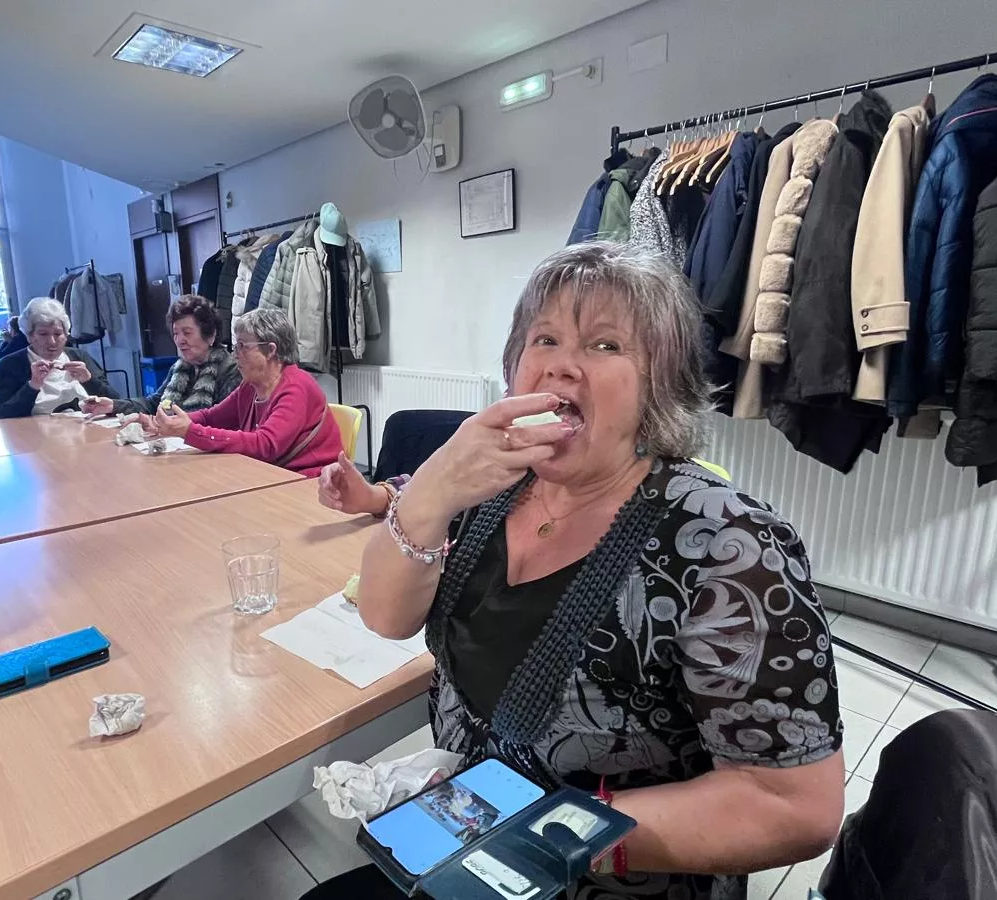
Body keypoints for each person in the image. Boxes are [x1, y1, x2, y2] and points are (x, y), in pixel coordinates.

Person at [308, 243, 844, 900]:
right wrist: (431, 489)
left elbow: (796, 807)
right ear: (515, 368)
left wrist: (552, 835)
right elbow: (386, 616)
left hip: (607, 875)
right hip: (466, 838)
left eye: (605, 345)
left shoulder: (728, 544)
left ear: (659, 386)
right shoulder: (490, 490)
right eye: (546, 339)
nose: (563, 363)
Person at [124, 306, 341, 477]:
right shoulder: (252, 385)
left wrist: (189, 431)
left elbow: (265, 446)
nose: (235, 354)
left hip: (307, 485)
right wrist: (160, 422)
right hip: (271, 476)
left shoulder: (296, 387)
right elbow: (213, 416)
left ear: (270, 350)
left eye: (242, 346)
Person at [80, 294, 241, 417]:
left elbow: (222, 420)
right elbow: (154, 403)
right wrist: (114, 406)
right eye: (176, 333)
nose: (179, 341)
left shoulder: (231, 370)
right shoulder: (180, 367)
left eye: (187, 333)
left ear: (211, 335)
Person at [0, 296, 119, 418]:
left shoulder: (79, 356)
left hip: (86, 429)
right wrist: (33, 386)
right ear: (29, 336)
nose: (52, 341)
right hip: (34, 434)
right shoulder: (9, 364)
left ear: (66, 334)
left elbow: (116, 402)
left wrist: (89, 380)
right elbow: (2, 414)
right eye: (43, 334)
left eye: (58, 333)